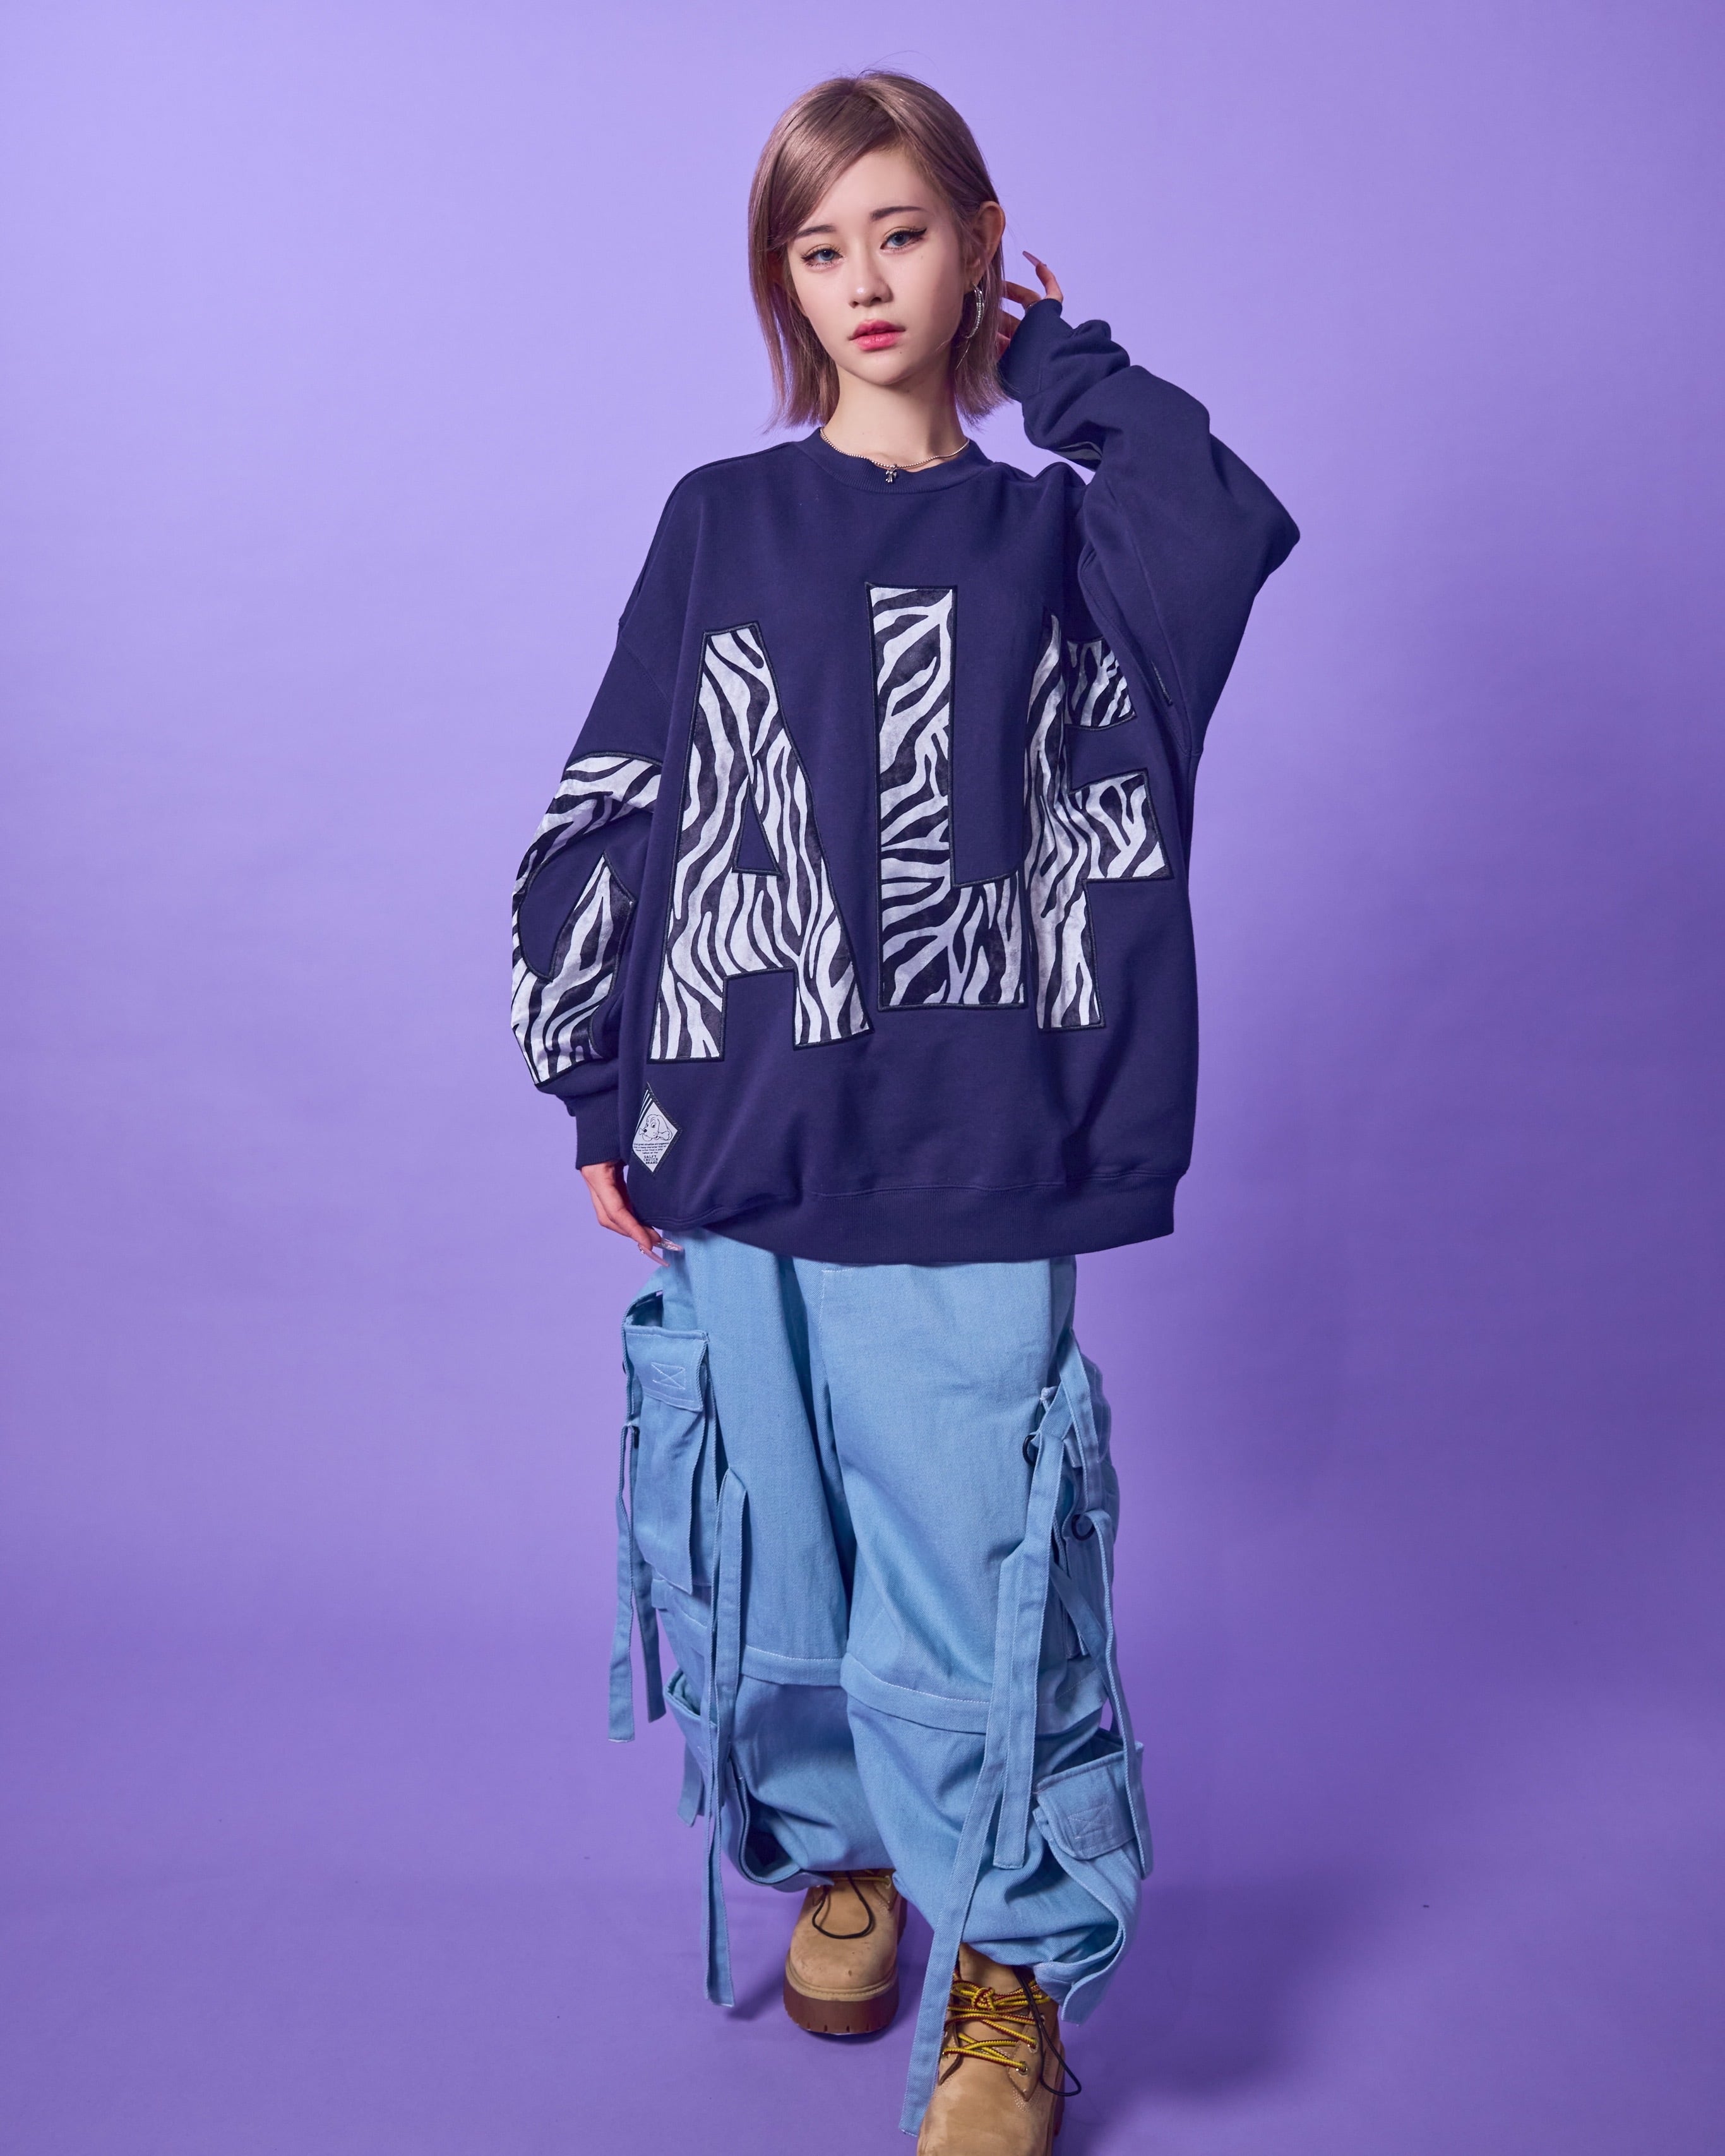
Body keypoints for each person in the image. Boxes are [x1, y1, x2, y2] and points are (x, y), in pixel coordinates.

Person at [510, 69, 1296, 2154]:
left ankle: (1007, 1975)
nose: (863, 281)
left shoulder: (1069, 540)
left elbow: (1220, 515)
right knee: (777, 1557)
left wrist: (1058, 367)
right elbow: (621, 796)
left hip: (974, 1150)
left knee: (976, 1570)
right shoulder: (720, 520)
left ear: (977, 248)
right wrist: (598, 1083)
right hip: (739, 1135)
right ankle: (840, 1862)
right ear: (781, 278)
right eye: (817, 245)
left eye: (903, 234)